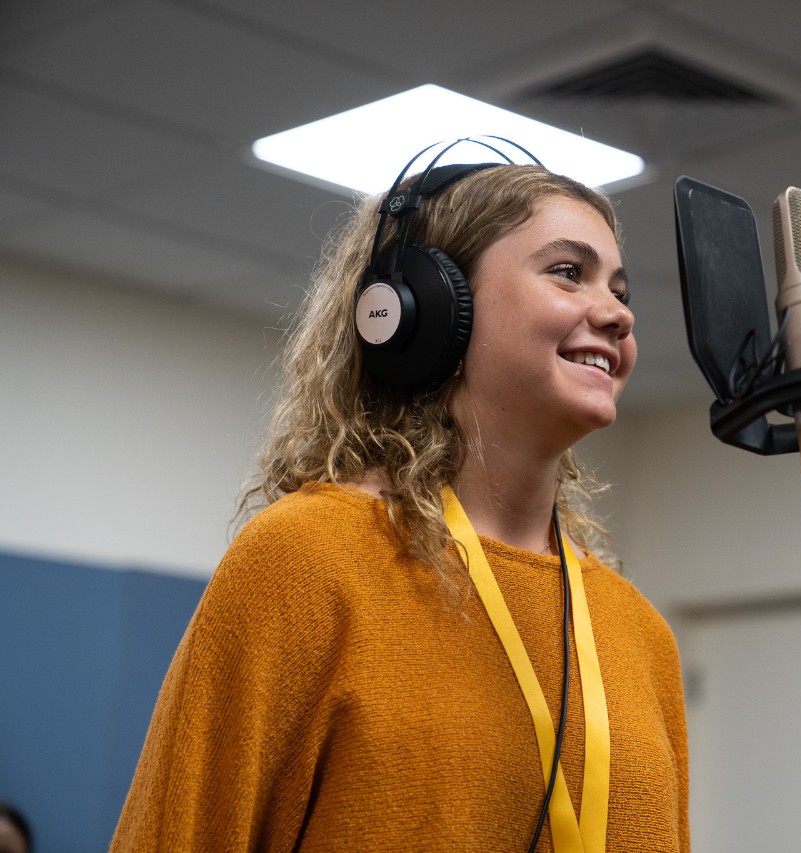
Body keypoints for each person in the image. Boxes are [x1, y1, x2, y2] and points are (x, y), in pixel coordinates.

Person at [111, 147, 689, 851]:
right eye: (569, 273)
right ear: (436, 304)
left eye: (621, 291)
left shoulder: (639, 633)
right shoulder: (305, 562)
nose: (615, 314)